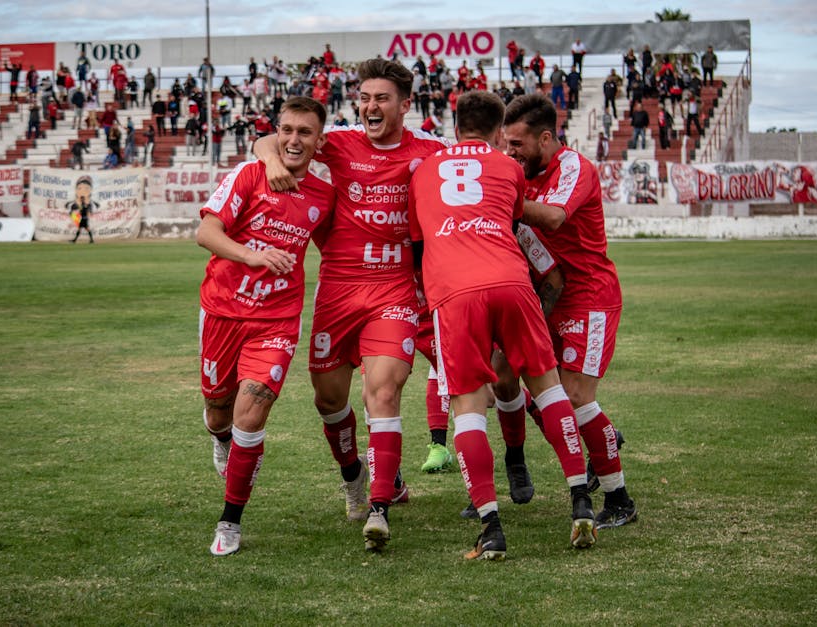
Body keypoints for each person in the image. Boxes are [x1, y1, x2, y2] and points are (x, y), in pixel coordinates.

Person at [253, 58, 449, 552]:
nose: (370, 106)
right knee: (328, 400)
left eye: (381, 98)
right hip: (338, 291)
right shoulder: (338, 141)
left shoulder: (430, 151)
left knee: (382, 392)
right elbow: (273, 140)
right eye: (364, 97)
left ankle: (379, 506)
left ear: (405, 105)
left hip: (394, 290)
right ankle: (354, 475)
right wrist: (272, 161)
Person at [408, 90, 597, 558]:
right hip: (511, 281)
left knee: (469, 408)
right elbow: (514, 219)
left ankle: (491, 526)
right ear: (498, 133)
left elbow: (417, 246)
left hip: (455, 292)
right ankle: (581, 501)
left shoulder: (423, 171)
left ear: (455, 129)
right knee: (549, 389)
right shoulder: (509, 168)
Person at [199, 96, 336, 557]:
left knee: (252, 412)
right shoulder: (249, 173)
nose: (294, 139)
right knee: (218, 411)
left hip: (277, 319)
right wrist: (252, 255)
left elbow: (338, 247)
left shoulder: (324, 197)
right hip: (222, 311)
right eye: (287, 130)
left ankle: (230, 521)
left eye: (305, 132)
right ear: (277, 132)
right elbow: (206, 233)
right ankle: (220, 438)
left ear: (319, 141)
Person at [503, 93, 637, 532]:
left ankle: (619, 500)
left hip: (590, 298)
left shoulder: (574, 167)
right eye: (506, 143)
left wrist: (498, 199)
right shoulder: (519, 173)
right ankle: (601, 440)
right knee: (536, 391)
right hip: (548, 296)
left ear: (545, 138)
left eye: (518, 144)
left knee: (576, 397)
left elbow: (555, 218)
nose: (511, 152)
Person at [68, 176, 97, 242]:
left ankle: (89, 240)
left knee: (85, 229)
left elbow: (86, 210)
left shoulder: (85, 204)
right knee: (82, 229)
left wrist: (82, 210)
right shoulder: (77, 204)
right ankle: (77, 240)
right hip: (83, 218)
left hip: (84, 218)